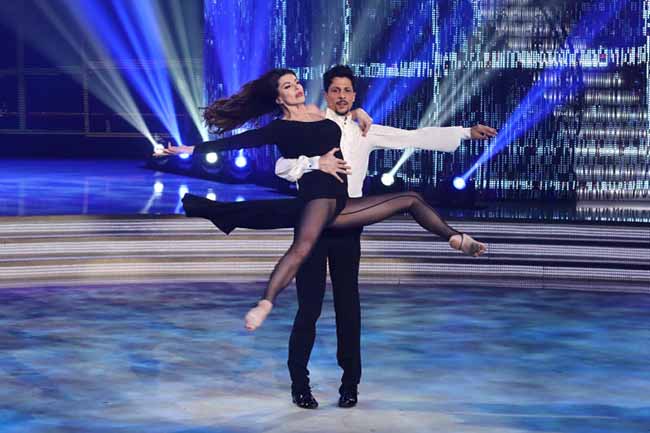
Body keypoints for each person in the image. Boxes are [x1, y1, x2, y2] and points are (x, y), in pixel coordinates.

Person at [162, 68, 488, 339]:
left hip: (343, 205)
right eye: (288, 86)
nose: (297, 88)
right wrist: (192, 150)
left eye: (297, 82)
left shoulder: (331, 117)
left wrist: (463, 133)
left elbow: (410, 136)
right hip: (317, 197)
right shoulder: (281, 128)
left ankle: (455, 239)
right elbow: (244, 145)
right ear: (279, 98)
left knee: (411, 199)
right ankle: (265, 304)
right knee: (303, 253)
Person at [272, 65, 496, 409]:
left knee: (348, 307)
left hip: (348, 222)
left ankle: (350, 385)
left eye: (348, 90)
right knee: (309, 308)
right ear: (326, 94)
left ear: (354, 95)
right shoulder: (309, 125)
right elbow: (282, 167)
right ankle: (299, 385)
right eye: (336, 90)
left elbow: (413, 137)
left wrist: (465, 133)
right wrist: (314, 163)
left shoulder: (365, 129)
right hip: (312, 224)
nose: (342, 96)